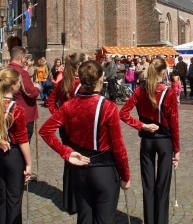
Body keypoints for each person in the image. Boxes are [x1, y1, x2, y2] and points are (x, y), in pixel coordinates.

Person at [40, 60, 130, 223]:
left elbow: (45, 130)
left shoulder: (69, 105)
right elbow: (118, 147)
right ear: (101, 79)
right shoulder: (109, 107)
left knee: (84, 218)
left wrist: (66, 152)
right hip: (104, 171)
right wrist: (125, 175)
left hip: (80, 170)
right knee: (105, 219)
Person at [119, 58, 179, 224]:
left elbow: (123, 113)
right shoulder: (169, 93)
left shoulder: (140, 90)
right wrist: (177, 149)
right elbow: (174, 123)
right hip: (165, 141)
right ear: (163, 72)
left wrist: (142, 125)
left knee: (148, 184)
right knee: (162, 184)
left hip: (147, 141)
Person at [46, 52, 86, 213]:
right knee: (79, 162)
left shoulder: (63, 82)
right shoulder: (80, 84)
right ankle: (78, 201)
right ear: (79, 65)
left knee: (68, 162)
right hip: (79, 128)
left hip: (65, 128)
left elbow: (50, 102)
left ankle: (68, 201)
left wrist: (58, 116)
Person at [0, 68, 32, 224]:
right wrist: (29, 163)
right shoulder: (17, 109)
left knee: (1, 195)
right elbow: (22, 139)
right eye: (19, 82)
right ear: (13, 86)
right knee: (14, 197)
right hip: (13, 155)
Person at [7, 46, 40, 141]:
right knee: (23, 141)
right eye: (26, 58)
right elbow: (32, 93)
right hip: (24, 113)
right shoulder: (22, 73)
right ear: (21, 58)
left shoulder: (6, 70)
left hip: (9, 111)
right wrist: (37, 88)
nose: (26, 61)